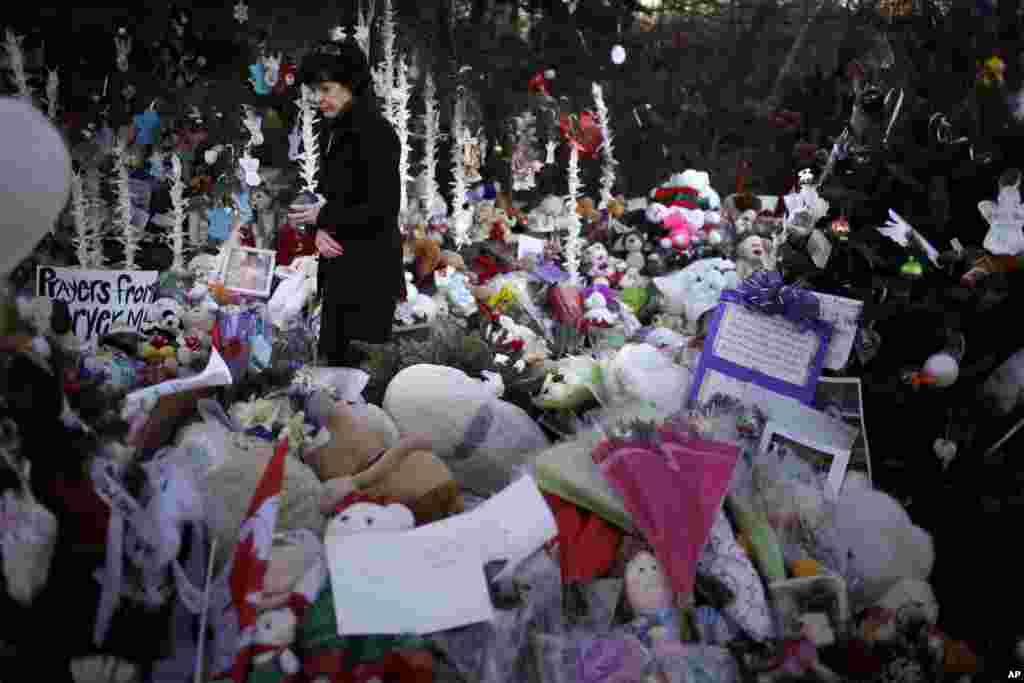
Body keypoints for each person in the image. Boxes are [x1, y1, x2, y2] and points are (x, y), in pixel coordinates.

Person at [289, 40, 404, 366]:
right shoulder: (333, 130)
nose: (319, 98)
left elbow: (382, 208)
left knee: (359, 371)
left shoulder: (376, 133)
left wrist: (324, 217)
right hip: (338, 268)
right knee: (334, 363)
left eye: (326, 88)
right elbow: (329, 196)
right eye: (315, 90)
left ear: (351, 86)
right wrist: (320, 230)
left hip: (369, 273)